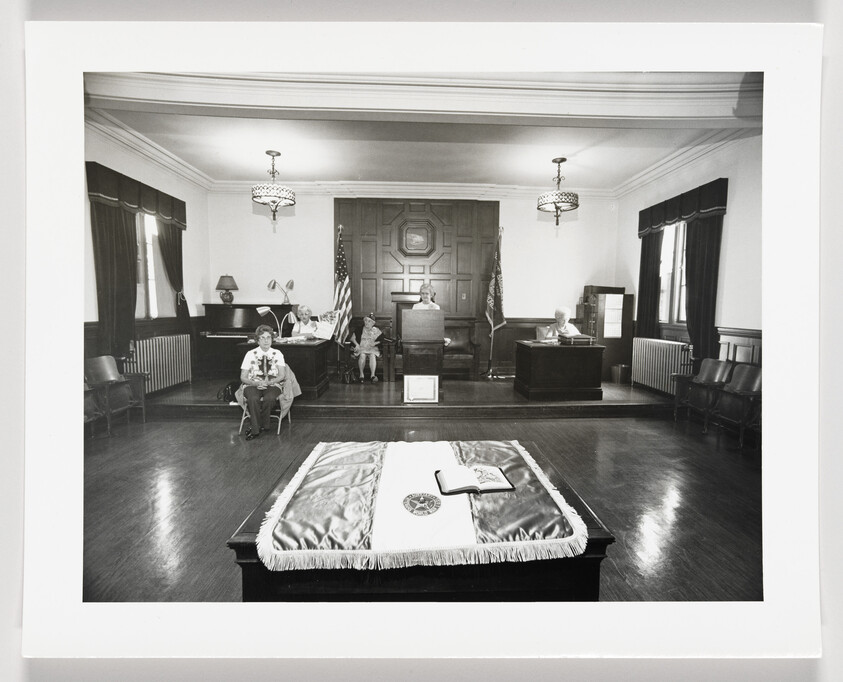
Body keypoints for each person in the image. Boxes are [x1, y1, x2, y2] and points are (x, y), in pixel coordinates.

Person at [239, 324, 287, 440]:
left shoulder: (278, 353)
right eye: (262, 338)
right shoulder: (250, 354)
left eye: (268, 337)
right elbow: (243, 377)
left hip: (273, 383)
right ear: (257, 340)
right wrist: (256, 383)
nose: (266, 341)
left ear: (272, 339)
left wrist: (269, 383)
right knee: (253, 398)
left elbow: (282, 375)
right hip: (252, 383)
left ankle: (262, 424)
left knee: (270, 398)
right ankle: (256, 429)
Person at [351, 312, 382, 383]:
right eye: (365, 320)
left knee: (372, 355)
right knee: (362, 355)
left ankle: (372, 375)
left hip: (372, 348)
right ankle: (361, 375)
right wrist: (357, 345)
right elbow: (352, 338)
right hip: (362, 347)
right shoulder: (359, 329)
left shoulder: (376, 330)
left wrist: (375, 343)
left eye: (369, 321)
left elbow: (383, 340)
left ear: (373, 323)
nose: (367, 323)